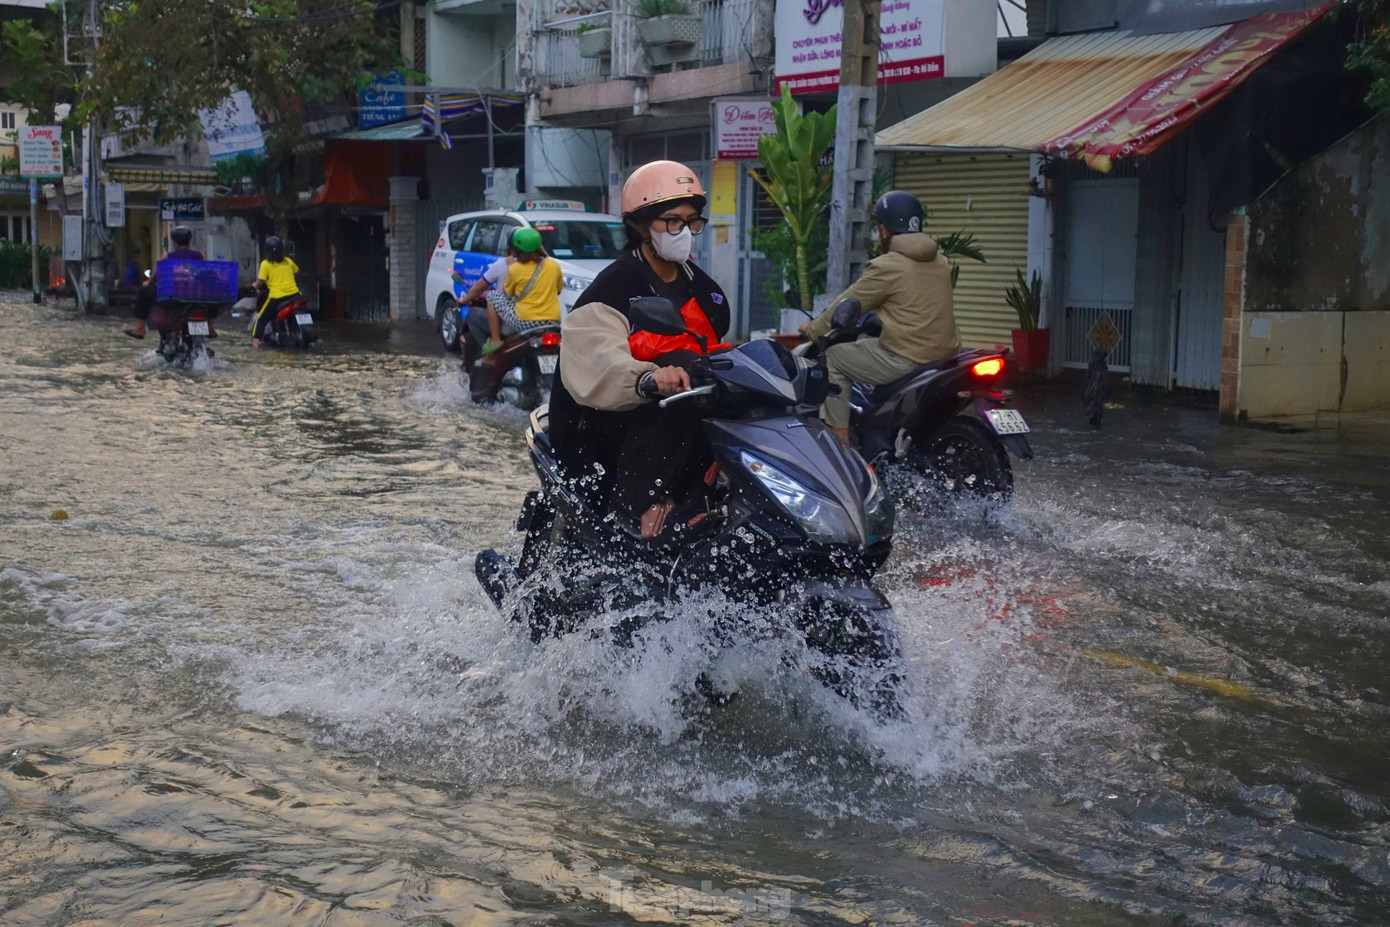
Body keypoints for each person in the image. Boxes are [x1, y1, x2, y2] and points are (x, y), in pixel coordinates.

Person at [549, 159, 730, 539]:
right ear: (639, 225)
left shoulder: (702, 288)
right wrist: (648, 377)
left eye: (691, 221)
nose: (684, 232)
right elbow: (601, 359)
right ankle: (644, 505)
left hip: (679, 427)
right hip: (605, 426)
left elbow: (717, 350)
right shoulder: (611, 289)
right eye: (671, 221)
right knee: (685, 373)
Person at [800, 190, 961, 441]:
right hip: (945, 354)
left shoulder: (887, 266)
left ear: (884, 229)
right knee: (868, 344)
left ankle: (841, 444)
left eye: (878, 226)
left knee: (834, 358)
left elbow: (848, 303)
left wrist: (813, 329)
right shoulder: (940, 262)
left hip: (907, 357)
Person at [124, 225, 204, 339]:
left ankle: (140, 328)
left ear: (175, 242)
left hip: (172, 298)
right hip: (194, 296)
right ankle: (210, 328)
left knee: (143, 291)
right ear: (189, 241)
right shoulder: (200, 255)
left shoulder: (167, 256)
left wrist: (148, 282)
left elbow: (156, 276)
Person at [251, 236, 300, 348]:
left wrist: (255, 285)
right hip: (295, 295)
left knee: (261, 320)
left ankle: (255, 346)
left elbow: (260, 282)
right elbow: (297, 271)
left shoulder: (265, 264)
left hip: (277, 297)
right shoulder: (288, 261)